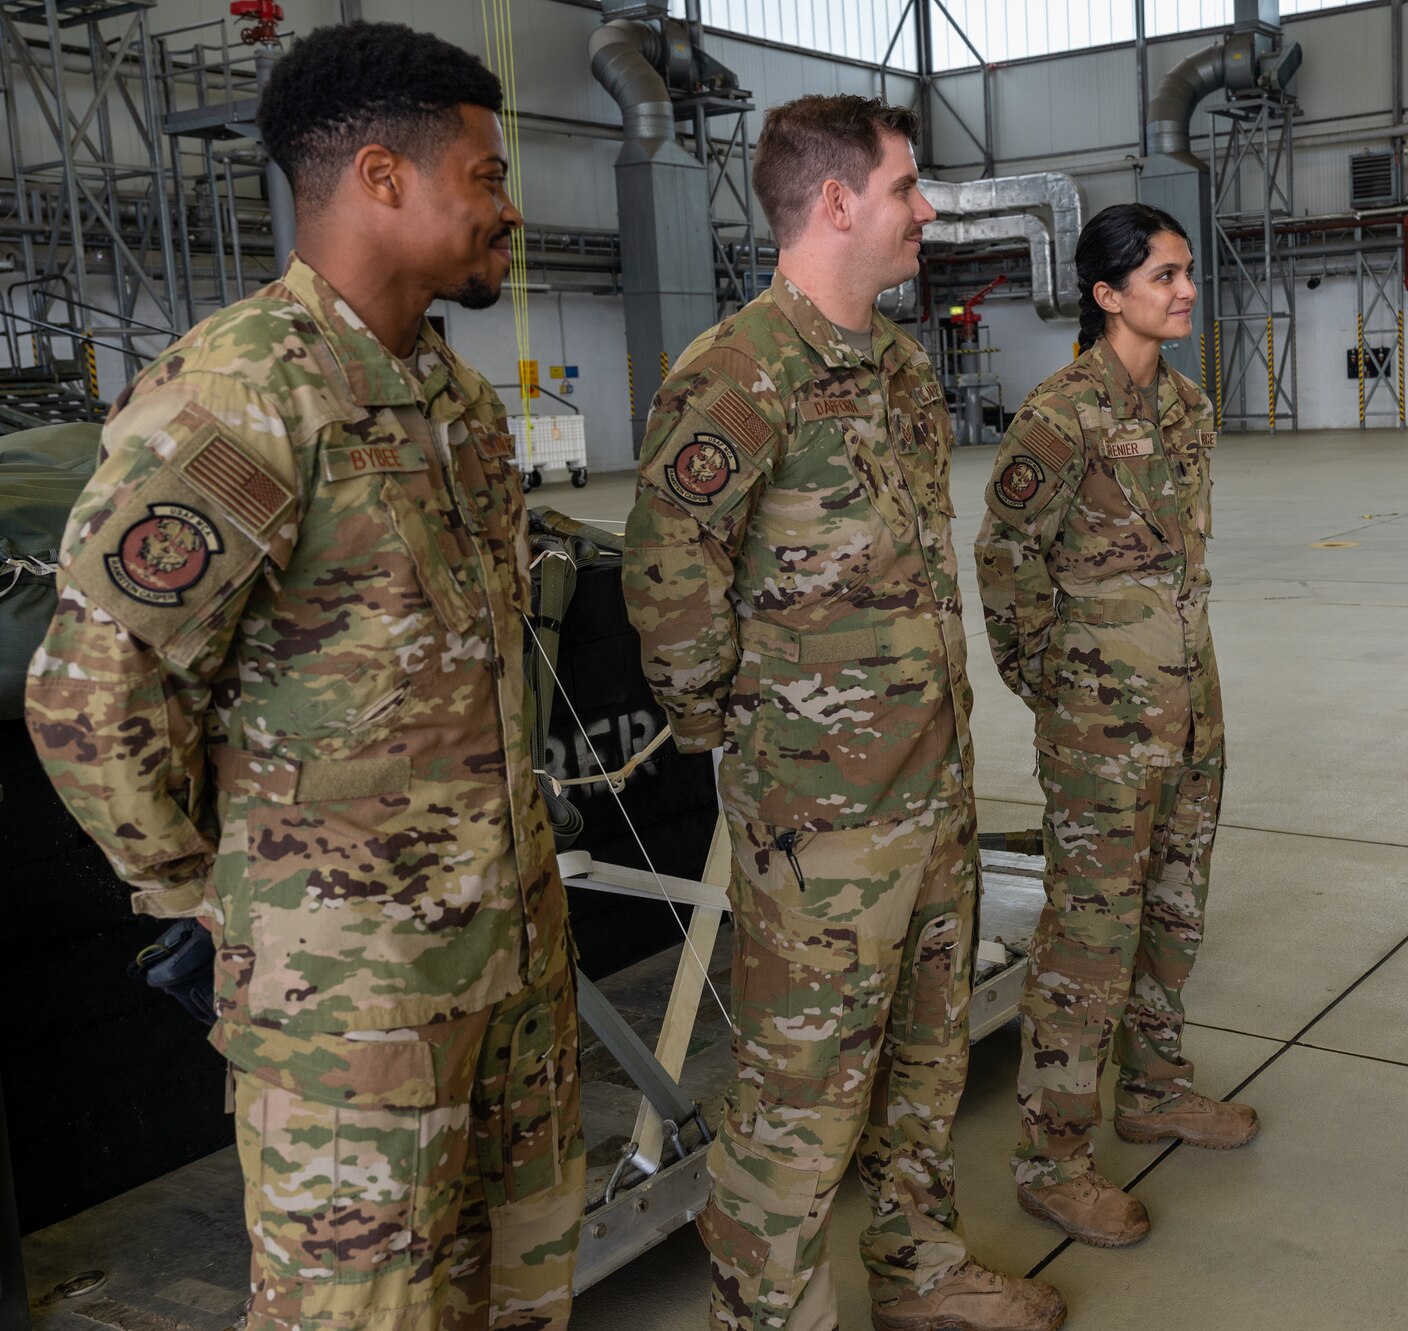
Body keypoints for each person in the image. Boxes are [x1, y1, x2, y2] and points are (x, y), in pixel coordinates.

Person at [22, 21, 584, 1330]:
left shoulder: (448, 397)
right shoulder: (242, 397)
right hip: (351, 1011)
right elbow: (89, 695)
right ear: (382, 177)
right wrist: (212, 904)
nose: (510, 206)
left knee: (518, 1288)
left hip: (504, 967)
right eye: (487, 176)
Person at [622, 94, 1065, 1331]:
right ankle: (767, 1314)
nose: (925, 211)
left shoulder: (897, 371)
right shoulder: (735, 373)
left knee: (924, 1060)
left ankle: (918, 1270)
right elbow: (668, 584)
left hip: (930, 794)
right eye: (907, 188)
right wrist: (747, 739)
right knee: (801, 1089)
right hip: (818, 821)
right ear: (834, 204)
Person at [973, 203, 1256, 1251]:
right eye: (1164, 276)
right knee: (1087, 940)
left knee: (1173, 913)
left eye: (1186, 272)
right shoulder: (1058, 417)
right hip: (1099, 723)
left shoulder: (1187, 408)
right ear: (1106, 295)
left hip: (1191, 710)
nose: (1184, 290)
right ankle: (1052, 1159)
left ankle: (1155, 1084)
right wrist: (1055, 685)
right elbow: (1003, 561)